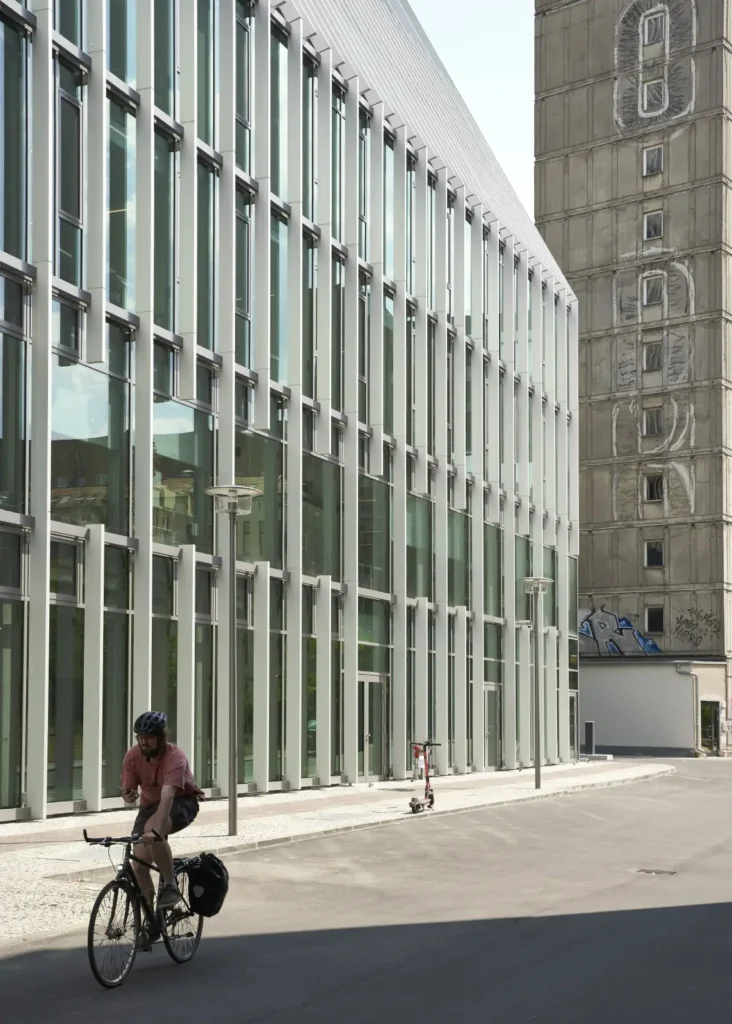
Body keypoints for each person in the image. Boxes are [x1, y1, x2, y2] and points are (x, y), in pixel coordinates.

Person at [121, 711, 204, 944]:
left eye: (149, 737)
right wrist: (128, 795)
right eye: (140, 737)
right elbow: (128, 791)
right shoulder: (133, 756)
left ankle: (170, 885)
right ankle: (152, 921)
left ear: (161, 738)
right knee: (139, 864)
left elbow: (167, 797)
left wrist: (156, 829)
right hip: (148, 805)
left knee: (155, 831)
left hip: (181, 802)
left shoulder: (175, 757)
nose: (143, 742)